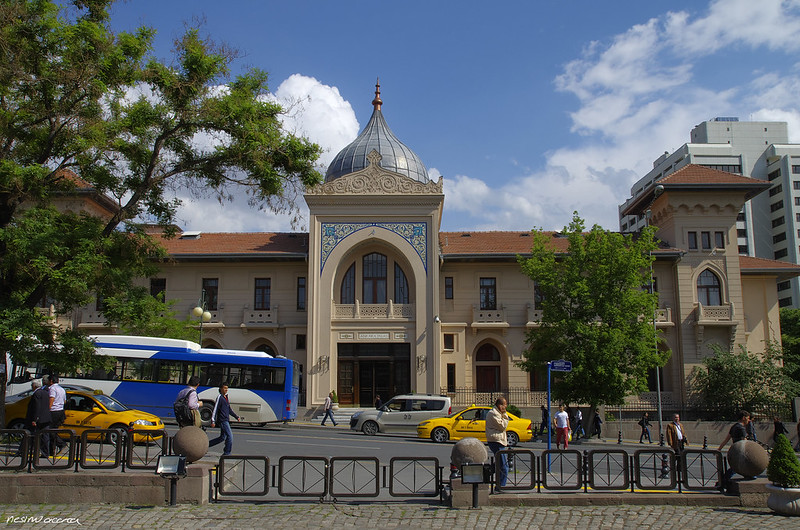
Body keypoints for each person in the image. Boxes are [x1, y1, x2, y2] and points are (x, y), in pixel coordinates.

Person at [718, 410, 750, 489]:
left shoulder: (734, 426)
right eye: (748, 418)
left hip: (734, 449)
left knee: (736, 468)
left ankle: (722, 482)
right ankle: (722, 482)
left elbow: (726, 439)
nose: (749, 420)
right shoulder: (741, 428)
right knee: (735, 468)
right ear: (743, 418)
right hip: (741, 451)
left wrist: (719, 449)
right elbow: (745, 442)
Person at [208, 382, 240, 456]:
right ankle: (227, 453)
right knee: (230, 436)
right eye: (225, 388)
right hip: (222, 420)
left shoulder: (226, 398)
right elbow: (215, 409)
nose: (226, 390)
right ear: (221, 389)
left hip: (226, 419)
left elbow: (229, 409)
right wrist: (213, 420)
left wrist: (236, 416)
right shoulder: (220, 397)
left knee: (222, 438)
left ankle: (206, 446)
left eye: (227, 388)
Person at [485, 396, 509, 488]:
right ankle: (501, 486)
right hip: (496, 441)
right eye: (504, 405)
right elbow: (503, 426)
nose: (505, 407)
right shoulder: (493, 413)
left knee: (500, 464)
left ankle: (487, 473)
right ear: (500, 405)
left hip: (499, 440)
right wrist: (505, 415)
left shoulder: (497, 413)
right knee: (504, 466)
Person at [25, 379, 51, 457]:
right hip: (46, 417)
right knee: (45, 436)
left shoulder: (37, 393)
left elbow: (36, 407)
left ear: (34, 386)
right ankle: (45, 452)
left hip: (39, 419)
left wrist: (35, 419)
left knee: (29, 435)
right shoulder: (46, 393)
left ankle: (23, 451)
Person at [47, 374, 67, 455]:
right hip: (61, 411)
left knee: (50, 430)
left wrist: (48, 409)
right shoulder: (61, 389)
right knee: (53, 429)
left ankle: (61, 443)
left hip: (54, 411)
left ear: (51, 381)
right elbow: (64, 401)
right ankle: (51, 450)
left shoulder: (52, 389)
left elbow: (51, 399)